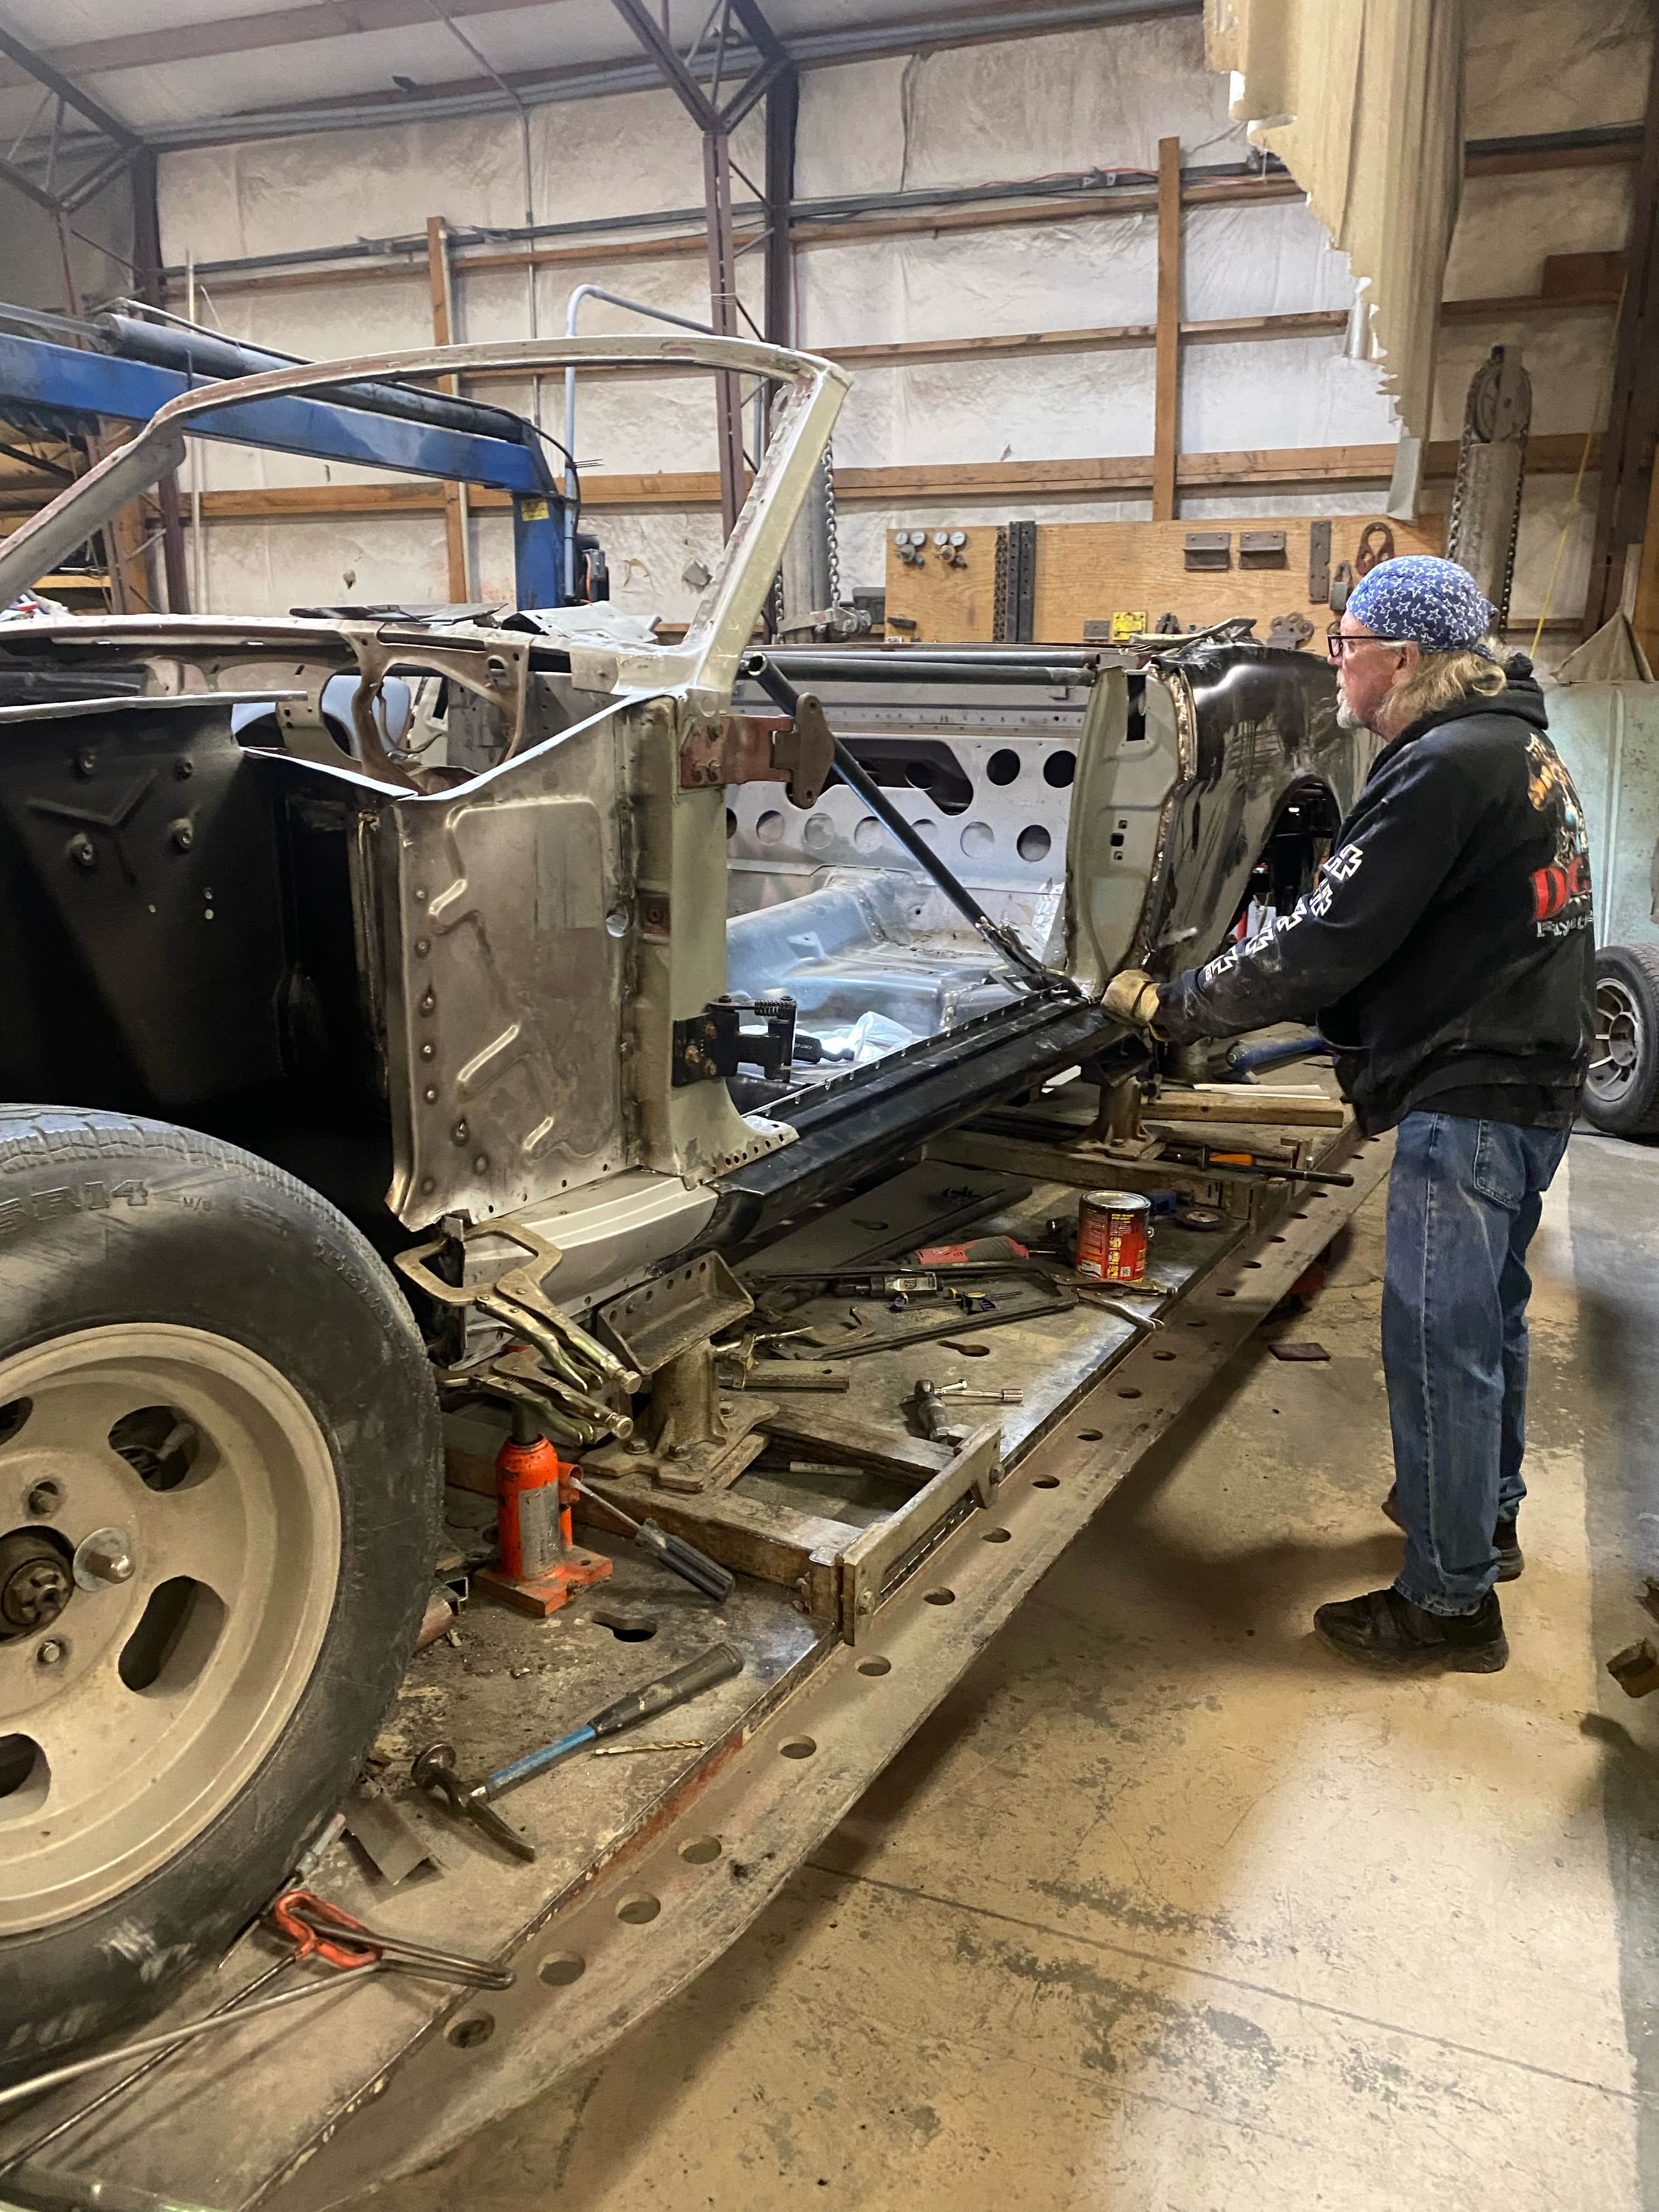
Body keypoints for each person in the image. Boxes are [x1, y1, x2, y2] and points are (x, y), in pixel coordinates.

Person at [1105, 555, 1593, 1674]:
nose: (1338, 665)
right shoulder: (1518, 745)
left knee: (1438, 1346)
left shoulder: (1441, 770)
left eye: (1348, 645)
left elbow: (1327, 938)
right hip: (1530, 1078)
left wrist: (1177, 1006)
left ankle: (1449, 1606)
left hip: (1470, 1093)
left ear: (1405, 658)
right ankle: (1488, 1520)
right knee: (1490, 1322)